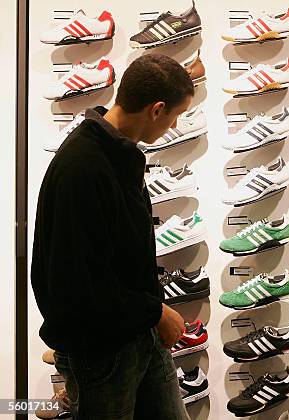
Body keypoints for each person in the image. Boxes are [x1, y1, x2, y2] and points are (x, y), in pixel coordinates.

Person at [31, 54, 195, 420]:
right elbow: (76, 282)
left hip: (137, 334)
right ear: (157, 110)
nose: (174, 125)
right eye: (176, 115)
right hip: (100, 351)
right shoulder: (84, 165)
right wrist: (154, 311)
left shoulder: (118, 155)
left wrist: (150, 314)